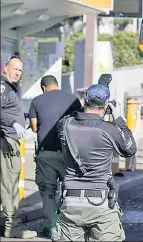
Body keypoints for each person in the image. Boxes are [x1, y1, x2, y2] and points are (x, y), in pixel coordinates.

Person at [52, 83, 137, 241]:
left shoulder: (66, 125)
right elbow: (130, 149)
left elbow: (70, 120)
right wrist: (119, 119)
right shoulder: (109, 129)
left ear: (85, 100)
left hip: (71, 202)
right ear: (106, 105)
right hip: (101, 204)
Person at [28, 75, 82, 238]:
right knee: (70, 191)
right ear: (57, 85)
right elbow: (79, 124)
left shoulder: (37, 101)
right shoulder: (73, 100)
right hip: (69, 154)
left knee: (48, 191)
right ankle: (66, 225)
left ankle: (53, 226)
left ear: (43, 87)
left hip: (46, 154)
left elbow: (34, 127)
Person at [0, 55, 37, 239]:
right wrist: (14, 124)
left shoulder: (9, 89)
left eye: (20, 70)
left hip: (8, 139)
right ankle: (12, 227)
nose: (17, 73)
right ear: (5, 68)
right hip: (6, 141)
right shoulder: (3, 87)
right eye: (14, 68)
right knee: (10, 186)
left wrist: (22, 120)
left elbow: (7, 111)